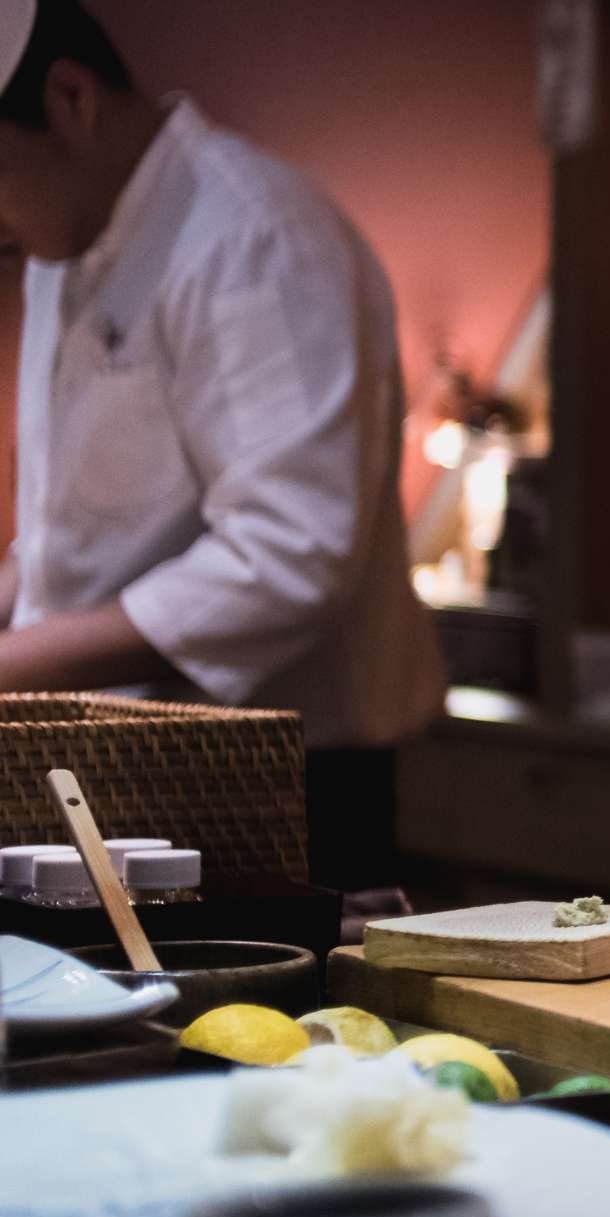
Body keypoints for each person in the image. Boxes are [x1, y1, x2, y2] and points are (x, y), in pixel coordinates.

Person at [0, 0, 443, 890]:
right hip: (120, 765)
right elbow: (73, 536)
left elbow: (289, 552)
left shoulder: (251, 234)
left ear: (71, 100)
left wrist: (12, 664)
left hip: (285, 781)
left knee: (267, 1031)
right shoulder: (62, 251)